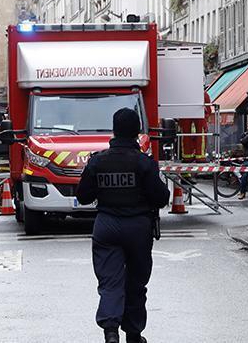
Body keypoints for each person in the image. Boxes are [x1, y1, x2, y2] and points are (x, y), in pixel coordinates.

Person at [76, 108, 170, 343]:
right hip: (138, 227)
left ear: (114, 130)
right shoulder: (144, 163)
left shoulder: (97, 161)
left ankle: (110, 333)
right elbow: (160, 198)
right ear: (137, 132)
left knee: (110, 282)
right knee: (136, 283)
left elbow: (84, 196)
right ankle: (134, 334)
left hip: (106, 225)